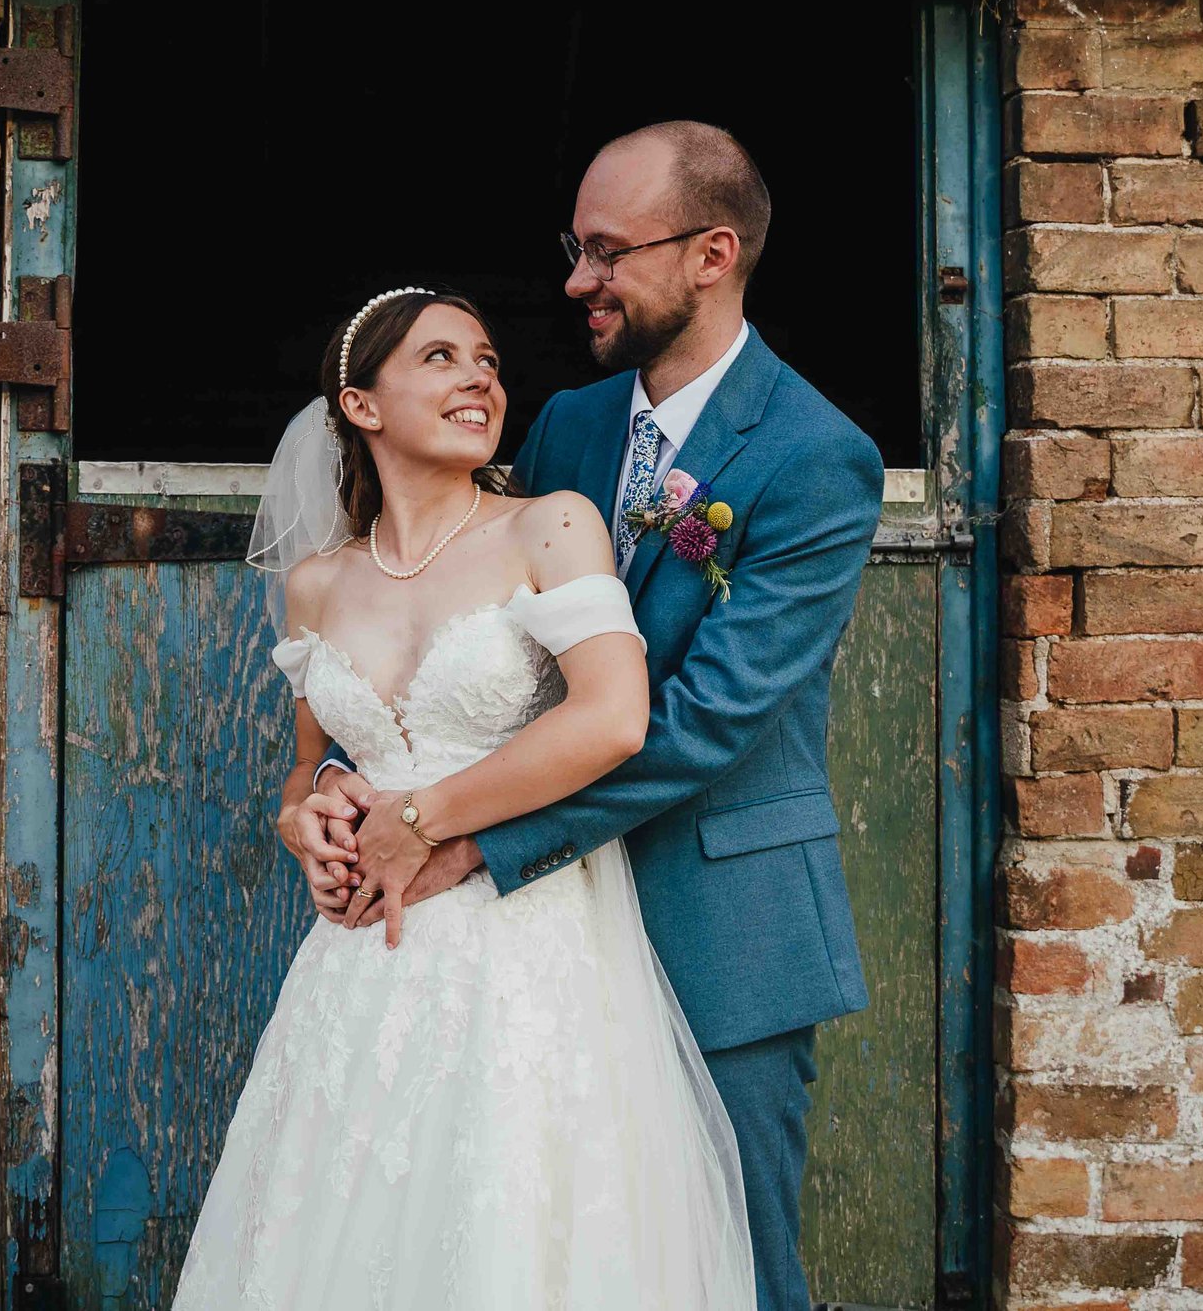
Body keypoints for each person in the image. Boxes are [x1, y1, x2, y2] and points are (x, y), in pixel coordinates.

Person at [290, 122, 884, 1311]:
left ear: (712, 253)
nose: (576, 279)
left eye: (606, 250)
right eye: (575, 246)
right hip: (528, 949)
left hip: (718, 918)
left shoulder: (820, 456)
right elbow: (472, 649)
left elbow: (708, 718)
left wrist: (462, 833)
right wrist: (336, 795)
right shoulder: (563, 427)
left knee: (733, 1265)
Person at [171, 286, 754, 1309]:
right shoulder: (318, 582)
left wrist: (420, 815)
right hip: (362, 960)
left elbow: (613, 717)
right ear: (361, 404)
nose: (478, 375)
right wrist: (303, 812)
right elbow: (312, 761)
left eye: (484, 358)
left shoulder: (547, 527)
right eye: (439, 357)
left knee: (509, 1226)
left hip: (522, 936)